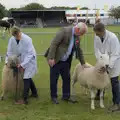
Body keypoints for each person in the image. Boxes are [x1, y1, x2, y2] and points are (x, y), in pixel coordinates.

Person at [45, 22, 89, 104]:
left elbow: (79, 50)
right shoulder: (64, 31)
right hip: (56, 59)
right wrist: (51, 58)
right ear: (77, 29)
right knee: (54, 79)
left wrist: (83, 63)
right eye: (81, 33)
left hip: (66, 61)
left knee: (67, 78)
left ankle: (66, 96)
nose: (81, 35)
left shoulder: (77, 37)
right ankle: (53, 97)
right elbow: (54, 43)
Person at [5, 26, 38, 104]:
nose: (17, 37)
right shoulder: (12, 40)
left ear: (20, 31)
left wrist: (22, 65)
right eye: (15, 36)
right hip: (21, 59)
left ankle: (24, 99)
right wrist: (7, 62)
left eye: (18, 35)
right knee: (28, 76)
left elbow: (30, 54)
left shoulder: (27, 39)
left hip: (30, 60)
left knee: (26, 77)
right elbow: (9, 52)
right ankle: (35, 93)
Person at [93, 22, 120, 112]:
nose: (96, 35)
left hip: (114, 62)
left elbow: (115, 54)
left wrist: (108, 66)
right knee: (100, 78)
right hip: (102, 61)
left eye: (98, 33)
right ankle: (99, 94)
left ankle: (117, 103)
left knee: (114, 82)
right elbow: (96, 50)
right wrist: (101, 62)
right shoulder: (96, 37)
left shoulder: (112, 38)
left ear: (103, 31)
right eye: (95, 33)